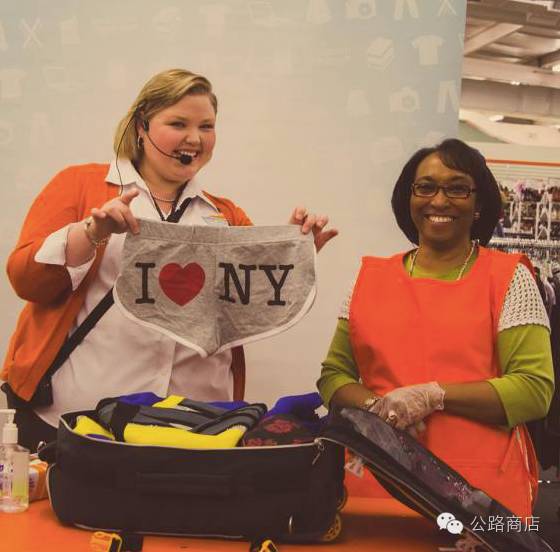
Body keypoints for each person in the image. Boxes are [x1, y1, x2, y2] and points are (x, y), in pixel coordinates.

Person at [2, 68, 338, 451]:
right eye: (178, 124)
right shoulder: (80, 185)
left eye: (206, 126)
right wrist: (91, 233)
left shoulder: (226, 215)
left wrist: (290, 256)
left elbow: (247, 311)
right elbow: (26, 280)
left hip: (195, 429)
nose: (195, 138)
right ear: (141, 126)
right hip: (82, 421)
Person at [317, 139, 554, 518]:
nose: (439, 201)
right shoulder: (368, 278)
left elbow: (533, 390)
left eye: (457, 189)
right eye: (425, 187)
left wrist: (433, 396)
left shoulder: (510, 279)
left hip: (480, 498)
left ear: (479, 203)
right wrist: (378, 408)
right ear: (408, 198)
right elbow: (333, 375)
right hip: (374, 482)